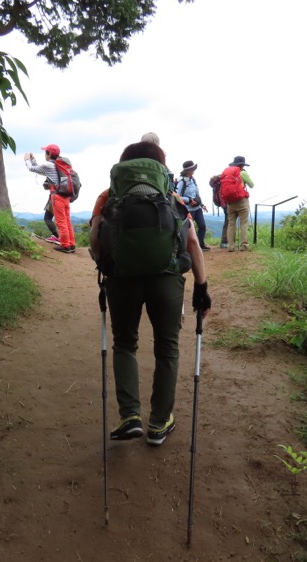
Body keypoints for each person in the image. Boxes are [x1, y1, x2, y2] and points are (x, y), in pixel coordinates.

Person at [89, 141, 212, 446]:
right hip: (166, 280)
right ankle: (159, 423)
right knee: (167, 348)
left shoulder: (108, 197)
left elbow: (95, 238)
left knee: (125, 344)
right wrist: (201, 288)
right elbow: (193, 244)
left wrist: (106, 267)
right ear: (159, 165)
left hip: (122, 280)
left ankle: (130, 415)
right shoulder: (171, 197)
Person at [24, 144, 76, 253]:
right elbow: (40, 170)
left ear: (49, 154)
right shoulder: (58, 166)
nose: (45, 155)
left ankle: (65, 245)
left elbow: (32, 169)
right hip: (66, 196)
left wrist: (27, 160)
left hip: (57, 197)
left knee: (61, 222)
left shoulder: (49, 165)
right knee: (67, 221)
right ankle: (71, 244)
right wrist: (34, 160)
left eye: (45, 152)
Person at [176, 161, 210, 251]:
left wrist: (202, 204)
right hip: (187, 209)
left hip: (197, 208)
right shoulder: (182, 182)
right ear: (187, 171)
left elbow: (197, 193)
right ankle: (188, 248)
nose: (193, 171)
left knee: (202, 226)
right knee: (189, 230)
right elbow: (177, 196)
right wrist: (189, 200)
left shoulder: (193, 180)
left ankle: (200, 244)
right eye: (191, 169)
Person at [224, 155, 254, 252]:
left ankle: (230, 246)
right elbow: (252, 185)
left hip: (230, 202)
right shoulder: (243, 173)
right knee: (243, 223)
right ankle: (244, 246)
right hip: (241, 201)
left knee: (231, 224)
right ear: (242, 165)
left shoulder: (228, 173)